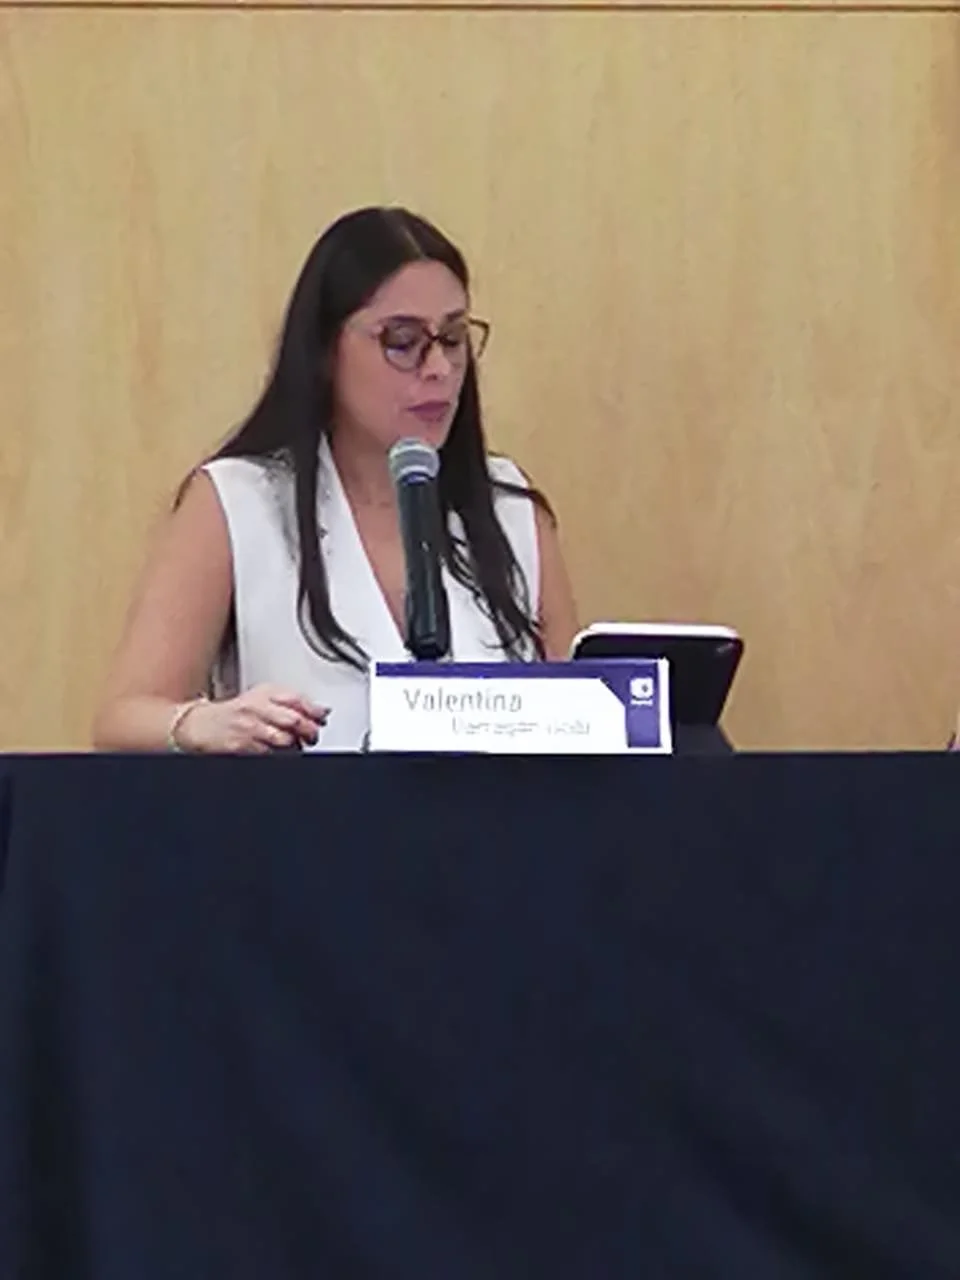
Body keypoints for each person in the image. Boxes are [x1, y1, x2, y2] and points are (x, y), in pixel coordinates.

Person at [93, 206, 579, 754]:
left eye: (453, 338)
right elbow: (122, 719)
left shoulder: (510, 509)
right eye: (402, 340)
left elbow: (588, 721)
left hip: (492, 835)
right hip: (297, 832)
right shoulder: (239, 501)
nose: (439, 368)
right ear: (326, 351)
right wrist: (200, 723)